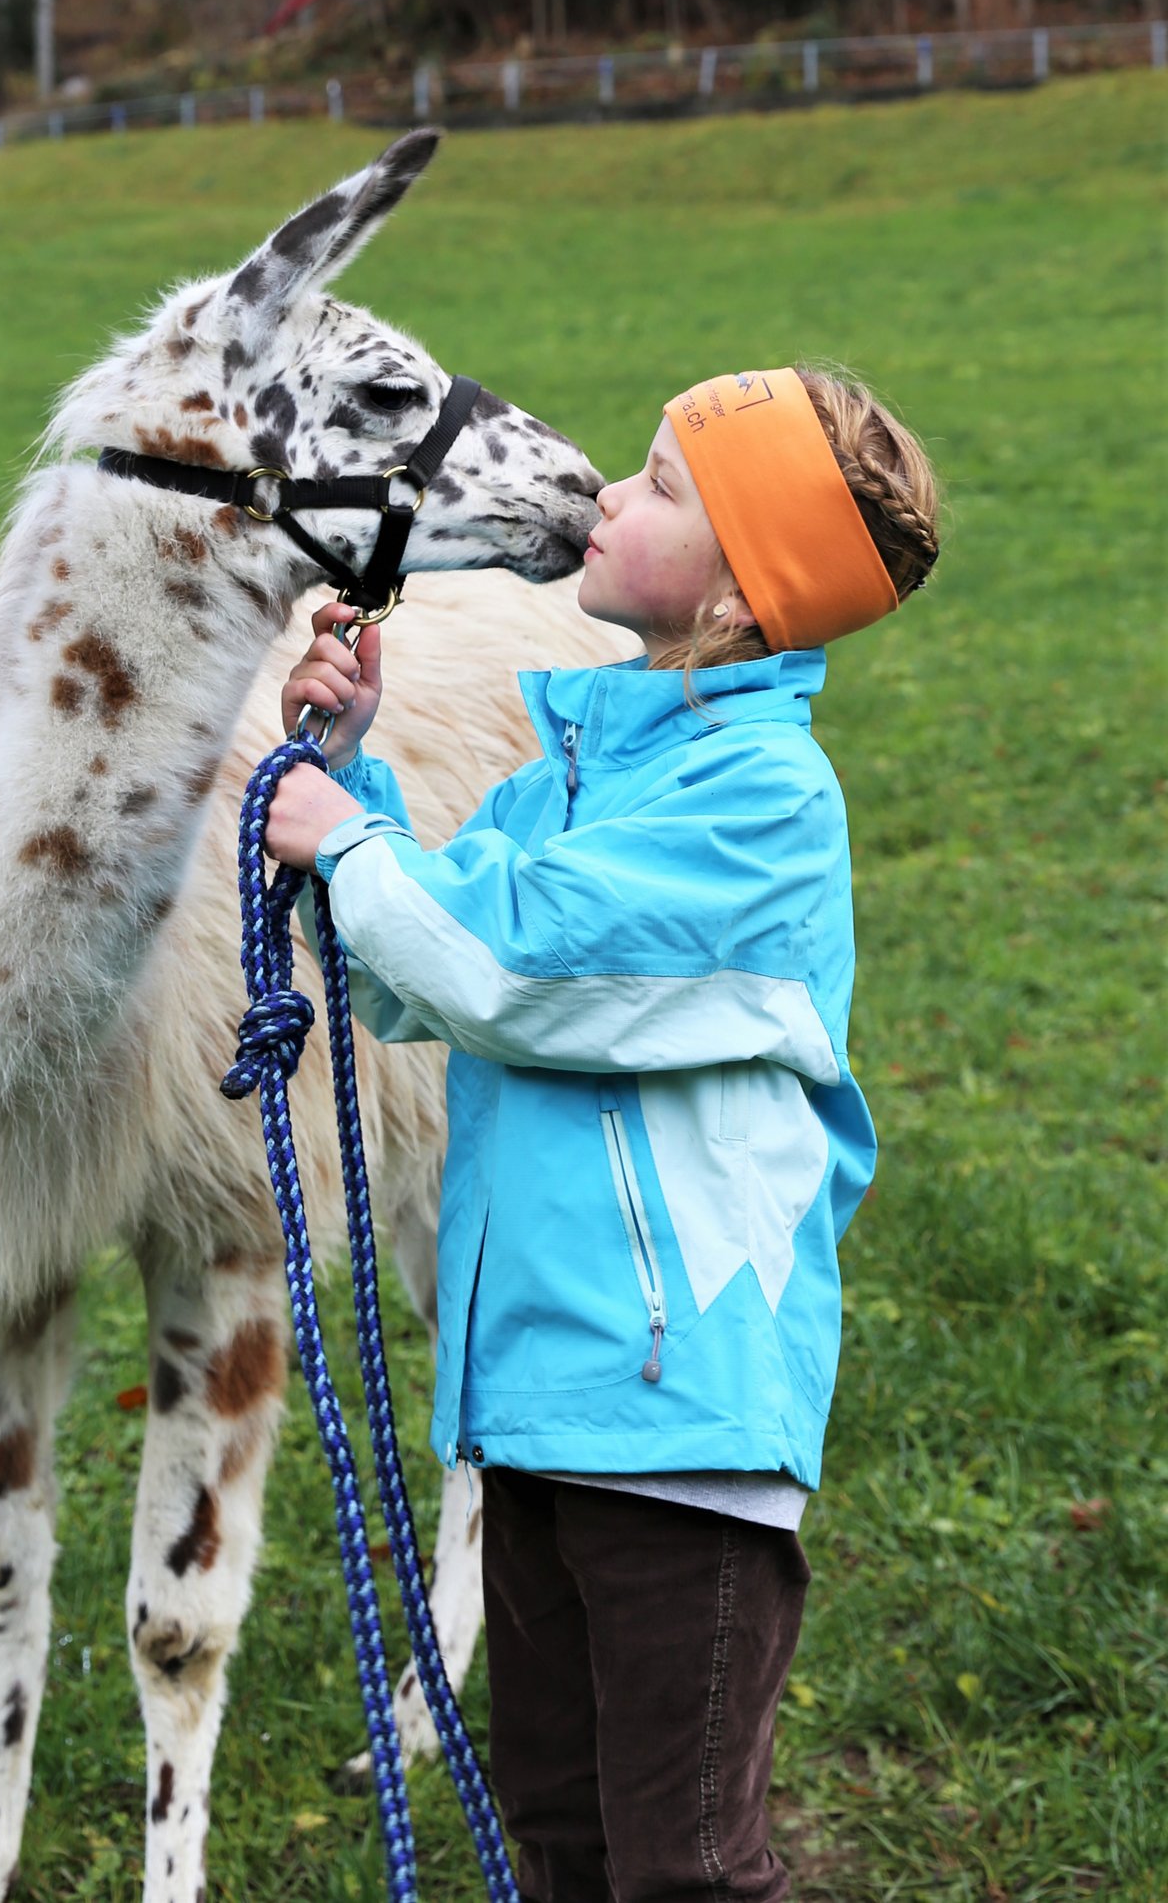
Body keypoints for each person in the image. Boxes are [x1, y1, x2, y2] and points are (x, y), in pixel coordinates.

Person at [265, 365, 941, 1903]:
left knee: (683, 1862)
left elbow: (512, 967)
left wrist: (353, 841)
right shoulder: (568, 777)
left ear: (739, 589)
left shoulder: (763, 805)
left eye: (657, 485)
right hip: (536, 1399)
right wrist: (351, 777)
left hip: (677, 1418)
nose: (607, 497)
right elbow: (413, 975)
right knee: (560, 1832)